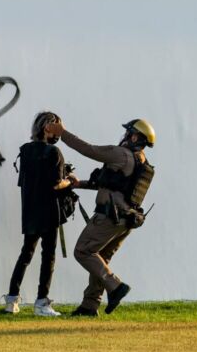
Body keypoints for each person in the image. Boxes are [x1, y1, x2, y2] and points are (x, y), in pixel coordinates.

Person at [44, 118, 156, 317]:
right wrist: (78, 184)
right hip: (125, 221)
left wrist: (62, 132)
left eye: (129, 133)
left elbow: (89, 149)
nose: (125, 136)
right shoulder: (140, 160)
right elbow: (112, 185)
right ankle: (90, 306)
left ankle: (116, 286)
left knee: (83, 251)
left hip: (109, 217)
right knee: (100, 258)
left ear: (135, 136)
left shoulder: (121, 154)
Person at [3, 112, 78, 317]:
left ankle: (11, 300)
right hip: (49, 212)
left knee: (25, 254)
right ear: (48, 128)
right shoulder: (54, 152)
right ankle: (42, 303)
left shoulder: (25, 151)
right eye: (57, 128)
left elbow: (23, 182)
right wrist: (70, 180)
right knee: (48, 257)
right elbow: (56, 184)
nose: (59, 133)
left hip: (29, 210)